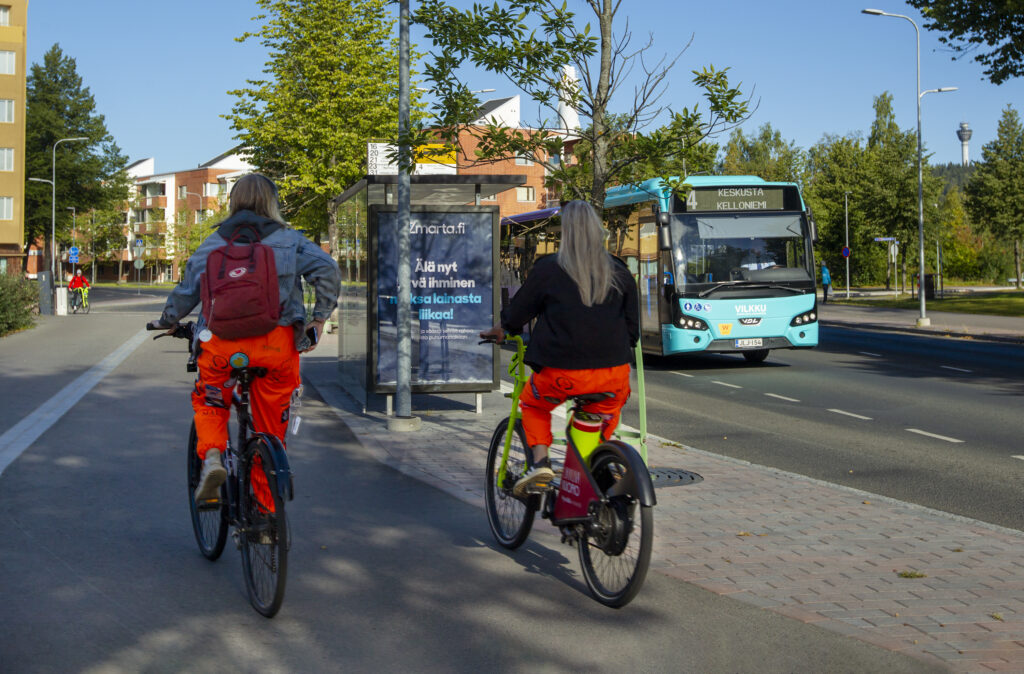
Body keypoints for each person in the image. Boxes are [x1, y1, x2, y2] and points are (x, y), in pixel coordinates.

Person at [149, 173, 341, 502]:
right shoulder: (289, 239)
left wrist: (169, 321)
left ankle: (211, 458)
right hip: (275, 346)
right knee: (270, 430)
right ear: (272, 203)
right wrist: (320, 318)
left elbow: (188, 290)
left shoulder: (214, 242)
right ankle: (266, 517)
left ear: (232, 202)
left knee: (210, 400)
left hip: (223, 344)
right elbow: (327, 269)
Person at [480, 200, 639, 496]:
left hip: (562, 374)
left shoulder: (549, 269)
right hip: (613, 376)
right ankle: (596, 468)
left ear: (566, 233)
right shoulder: (619, 270)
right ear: (597, 231)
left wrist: (503, 330)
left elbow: (518, 314)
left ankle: (540, 463)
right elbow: (633, 331)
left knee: (533, 405)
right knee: (597, 415)